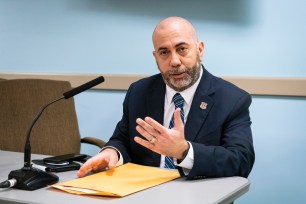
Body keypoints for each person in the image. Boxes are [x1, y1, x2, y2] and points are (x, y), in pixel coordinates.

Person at [77, 16, 255, 180]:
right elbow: (122, 139)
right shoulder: (139, 91)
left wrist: (184, 151)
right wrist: (112, 152)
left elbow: (241, 160)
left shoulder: (232, 99)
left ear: (200, 50)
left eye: (182, 49)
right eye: (164, 52)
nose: (174, 61)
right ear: (155, 57)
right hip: (143, 194)